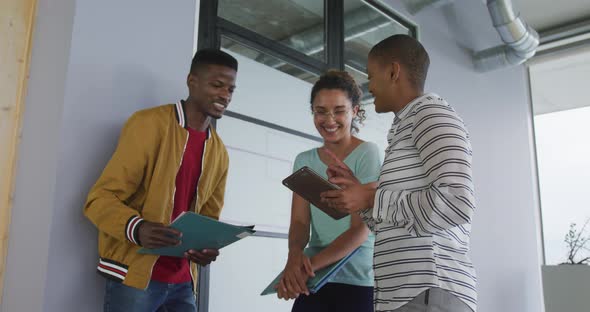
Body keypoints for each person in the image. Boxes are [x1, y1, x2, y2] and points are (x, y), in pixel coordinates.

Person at [320, 34, 477, 312]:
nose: (369, 87)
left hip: (429, 293)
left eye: (371, 76)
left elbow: (456, 203)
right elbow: (396, 222)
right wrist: (358, 193)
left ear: (393, 72)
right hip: (404, 298)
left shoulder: (431, 115)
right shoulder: (404, 128)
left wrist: (371, 199)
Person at [83, 49, 237, 312]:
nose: (225, 95)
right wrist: (138, 228)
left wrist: (207, 248)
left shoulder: (219, 152)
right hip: (136, 278)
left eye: (231, 89)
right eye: (217, 85)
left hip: (184, 282)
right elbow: (99, 199)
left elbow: (208, 219)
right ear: (192, 81)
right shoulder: (148, 124)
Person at [276, 70, 382, 312]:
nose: (329, 119)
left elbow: (359, 232)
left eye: (339, 110)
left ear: (355, 110)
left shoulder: (367, 154)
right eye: (320, 111)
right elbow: (300, 222)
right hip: (315, 279)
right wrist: (294, 256)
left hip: (356, 280)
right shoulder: (304, 160)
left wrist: (303, 268)